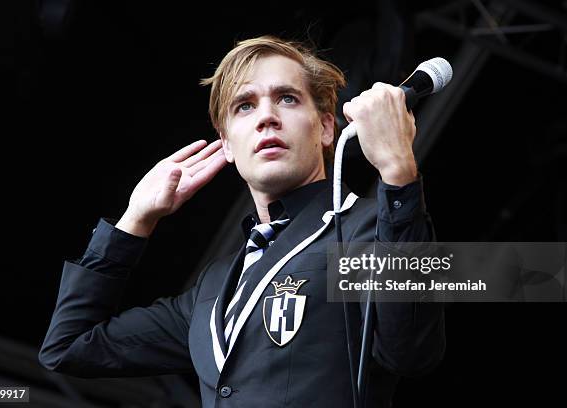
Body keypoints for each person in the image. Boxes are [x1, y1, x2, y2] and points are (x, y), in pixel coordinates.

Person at [39, 36, 445, 407]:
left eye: (287, 98)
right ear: (228, 143)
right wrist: (134, 221)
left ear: (325, 127)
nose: (265, 116)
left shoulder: (372, 227)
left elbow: (410, 352)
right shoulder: (213, 289)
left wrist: (397, 172)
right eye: (244, 105)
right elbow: (68, 347)